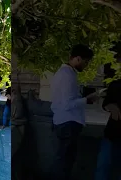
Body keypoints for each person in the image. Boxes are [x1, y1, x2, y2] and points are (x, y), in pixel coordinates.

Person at [50, 44, 99, 180]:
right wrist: (87, 100)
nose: (86, 65)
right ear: (77, 59)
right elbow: (67, 104)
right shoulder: (67, 75)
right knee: (64, 163)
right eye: (86, 61)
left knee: (63, 161)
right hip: (68, 123)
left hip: (64, 122)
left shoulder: (64, 73)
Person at [94, 55, 121, 180]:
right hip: (112, 133)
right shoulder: (116, 84)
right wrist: (110, 106)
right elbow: (106, 103)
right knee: (103, 165)